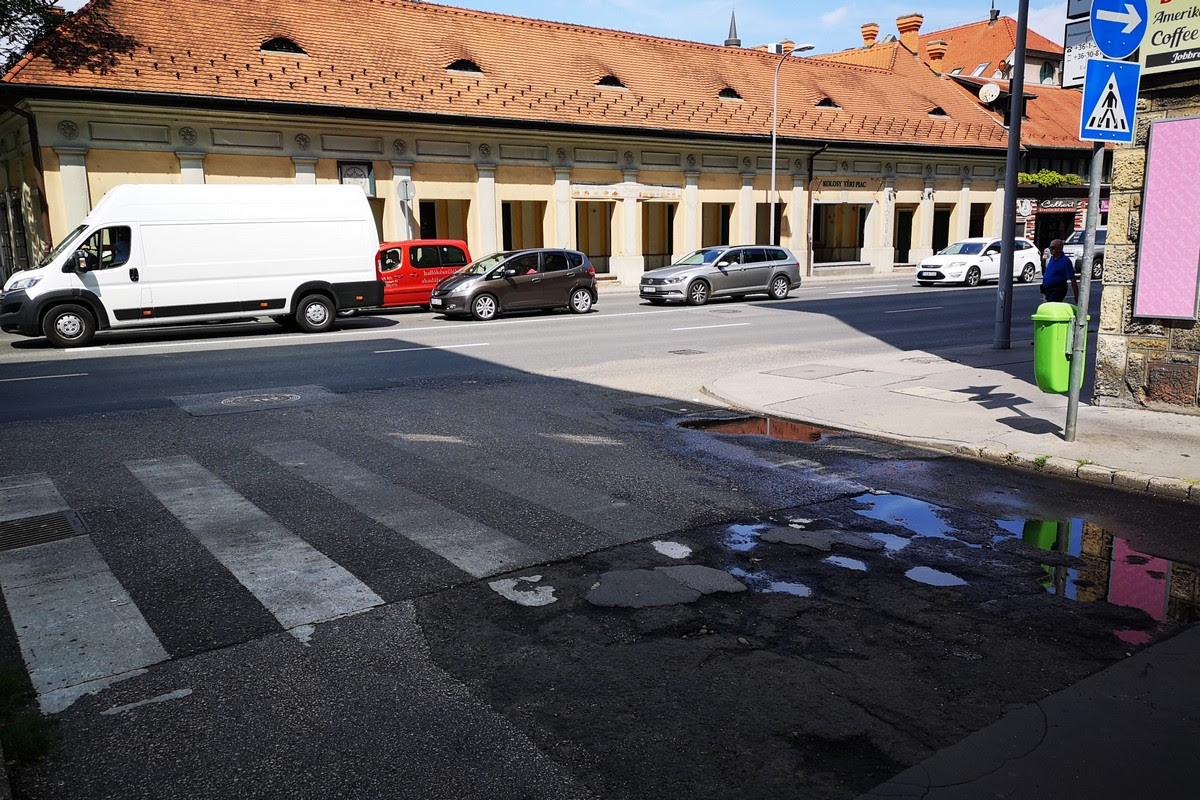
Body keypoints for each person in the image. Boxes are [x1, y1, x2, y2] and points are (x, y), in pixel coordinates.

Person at [1040, 239, 1078, 304]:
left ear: (1060, 248)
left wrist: (1076, 296)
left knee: (1051, 307)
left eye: (1053, 248)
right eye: (1050, 248)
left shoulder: (1065, 261)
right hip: (1047, 290)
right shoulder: (1052, 258)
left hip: (1057, 289)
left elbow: (1073, 279)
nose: (1051, 250)